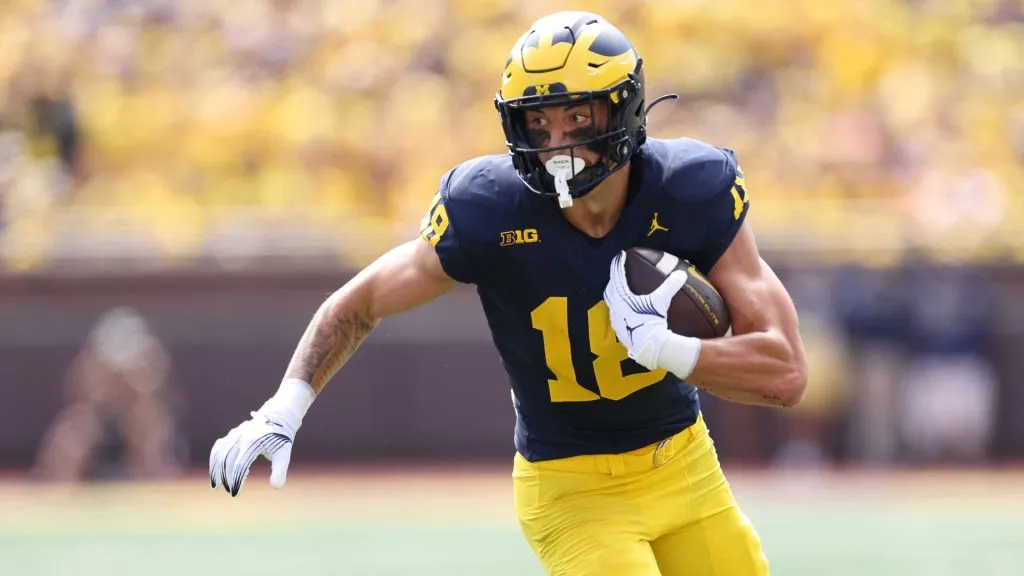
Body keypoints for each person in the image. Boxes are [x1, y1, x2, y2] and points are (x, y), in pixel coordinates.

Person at [209, 11, 807, 576]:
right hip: (570, 486)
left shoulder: (689, 189)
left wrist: (667, 349)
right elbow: (358, 302)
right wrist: (285, 406)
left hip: (684, 464)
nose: (556, 142)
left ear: (621, 110)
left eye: (577, 118)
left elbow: (785, 373)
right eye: (536, 123)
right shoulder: (487, 209)